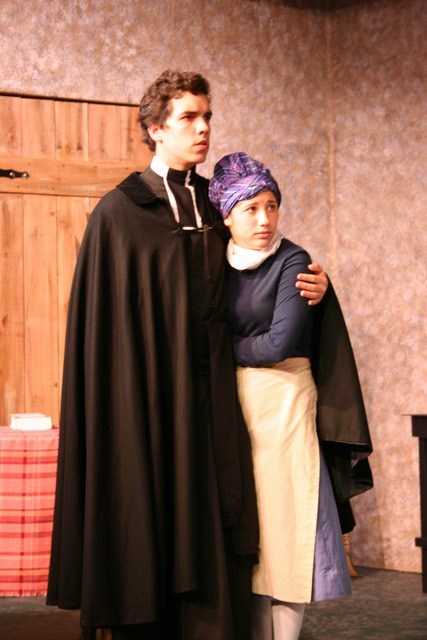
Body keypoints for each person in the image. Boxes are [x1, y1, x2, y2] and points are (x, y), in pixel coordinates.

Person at [46, 71, 328, 640]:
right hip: (149, 394)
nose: (203, 129)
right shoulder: (120, 214)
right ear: (156, 128)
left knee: (216, 514)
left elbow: (265, 268)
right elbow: (105, 328)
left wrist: (318, 288)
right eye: (188, 118)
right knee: (152, 506)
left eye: (207, 117)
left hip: (215, 397)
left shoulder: (218, 204)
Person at [208, 152, 372, 640]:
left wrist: (224, 348)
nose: (265, 219)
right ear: (227, 215)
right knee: (252, 535)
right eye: (251, 209)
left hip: (285, 403)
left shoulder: (292, 260)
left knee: (286, 529)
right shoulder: (215, 261)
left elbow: (279, 343)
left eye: (272, 206)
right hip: (236, 406)